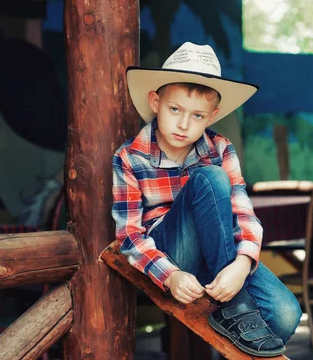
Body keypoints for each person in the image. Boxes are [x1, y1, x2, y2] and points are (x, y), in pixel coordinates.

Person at [112, 42, 302, 357]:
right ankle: (236, 305)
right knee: (210, 178)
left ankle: (232, 308)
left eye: (197, 115)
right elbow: (129, 234)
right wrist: (169, 275)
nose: (184, 124)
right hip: (173, 252)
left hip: (221, 251)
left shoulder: (220, 148)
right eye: (175, 110)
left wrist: (242, 265)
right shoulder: (130, 157)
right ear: (156, 102)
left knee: (285, 315)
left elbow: (244, 214)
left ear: (211, 116)